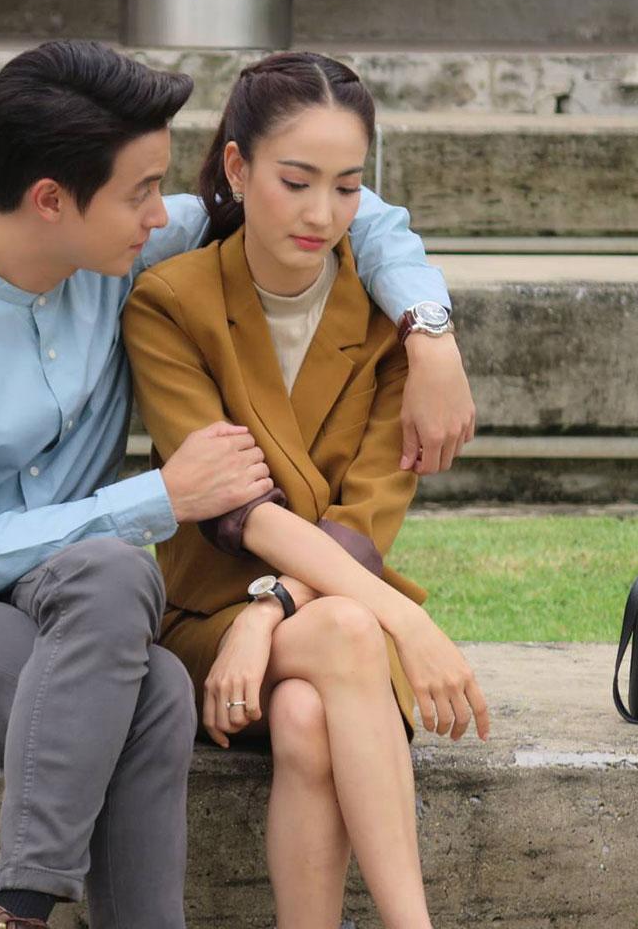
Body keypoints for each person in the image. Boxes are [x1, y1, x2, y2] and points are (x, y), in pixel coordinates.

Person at [0, 41, 475, 929]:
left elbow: (337, 203)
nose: (164, 214)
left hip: (61, 601)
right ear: (51, 200)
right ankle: (23, 911)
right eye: (142, 191)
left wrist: (429, 333)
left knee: (119, 591)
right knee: (149, 687)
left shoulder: (114, 247)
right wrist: (161, 498)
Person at [122, 52, 490, 929]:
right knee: (355, 631)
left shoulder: (389, 324)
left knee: (301, 715)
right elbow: (232, 508)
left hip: (316, 617)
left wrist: (270, 613)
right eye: (296, 182)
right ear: (238, 167)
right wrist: (407, 621)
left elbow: (365, 520)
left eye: (348, 187)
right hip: (206, 625)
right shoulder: (170, 303)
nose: (322, 214)